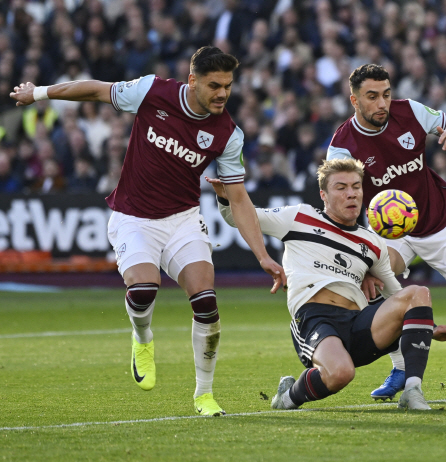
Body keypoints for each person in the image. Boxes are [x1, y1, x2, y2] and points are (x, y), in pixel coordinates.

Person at [10, 46, 287, 416]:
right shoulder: (152, 92)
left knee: (206, 303)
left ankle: (203, 395)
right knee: (143, 291)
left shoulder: (227, 134)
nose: (223, 93)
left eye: (228, 85)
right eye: (214, 85)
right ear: (192, 81)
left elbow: (238, 198)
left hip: (183, 220)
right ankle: (142, 338)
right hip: (133, 218)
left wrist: (263, 255)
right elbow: (96, 89)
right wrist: (39, 93)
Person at [209, 158, 446, 410]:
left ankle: (412, 390)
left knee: (418, 291)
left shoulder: (372, 242)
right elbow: (239, 217)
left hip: (359, 323)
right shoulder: (298, 217)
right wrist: (227, 197)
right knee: (340, 374)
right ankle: (288, 396)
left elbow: (395, 292)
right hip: (315, 319)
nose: (351, 194)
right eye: (341, 187)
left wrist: (430, 327)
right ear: (323, 194)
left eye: (356, 187)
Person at [327, 63, 446, 400]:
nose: (382, 103)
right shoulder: (342, 146)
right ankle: (400, 367)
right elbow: (338, 197)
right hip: (392, 231)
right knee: (375, 282)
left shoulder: (410, 112)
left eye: (386, 94)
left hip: (440, 219)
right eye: (372, 97)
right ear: (354, 100)